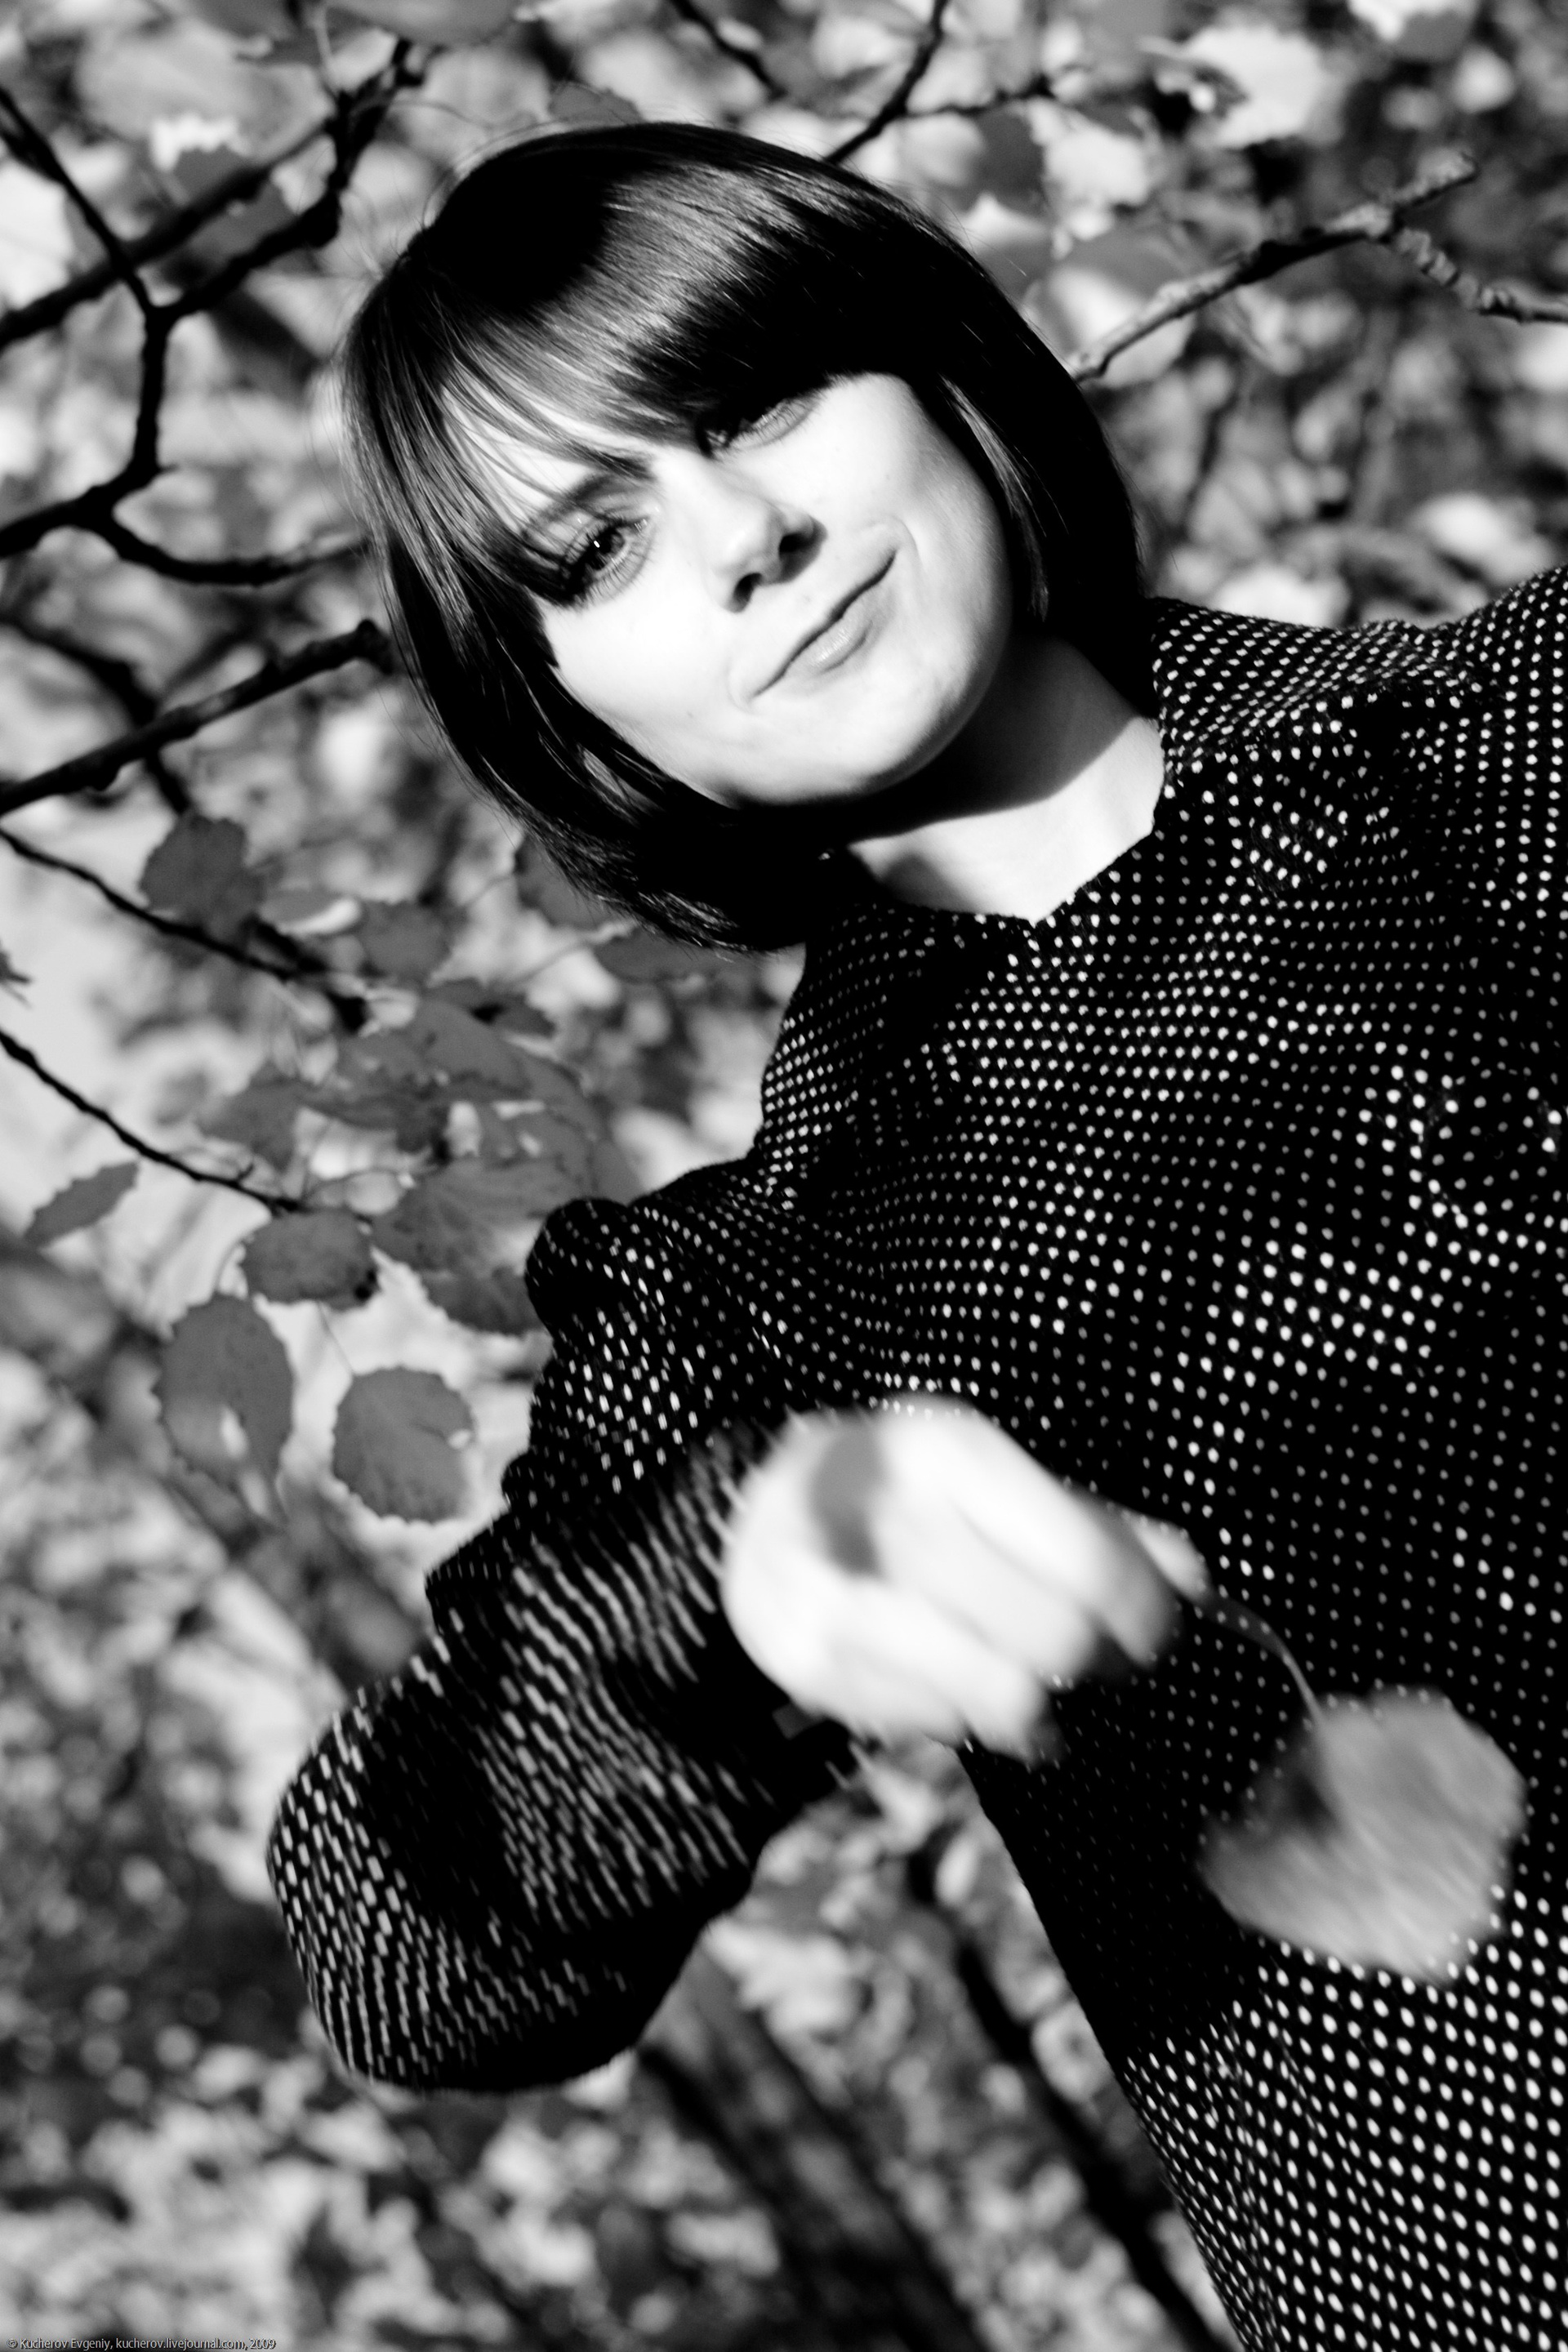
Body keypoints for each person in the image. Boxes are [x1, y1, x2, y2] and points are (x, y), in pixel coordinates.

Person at [266, 122, 1568, 2352]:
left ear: (938, 371)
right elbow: (396, 1948)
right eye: (596, 548)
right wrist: (724, 1592)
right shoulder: (766, 1307)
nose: (746, 540)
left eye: (756, 401)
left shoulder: (1520, 741)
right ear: (565, 704)